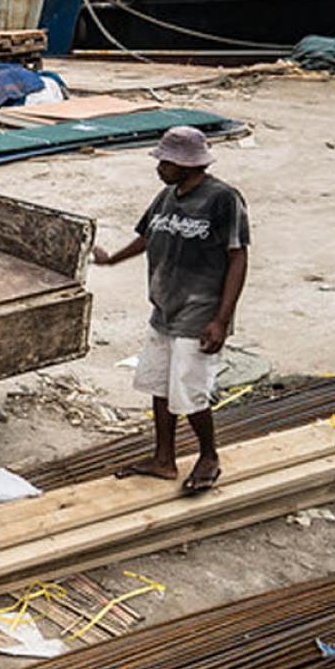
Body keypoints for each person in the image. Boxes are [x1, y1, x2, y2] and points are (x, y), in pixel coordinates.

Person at [92, 126, 249, 493]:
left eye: (166, 161)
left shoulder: (222, 199)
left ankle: (209, 456)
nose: (159, 167)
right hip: (164, 307)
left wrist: (221, 320)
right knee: (160, 383)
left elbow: (237, 257)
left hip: (200, 312)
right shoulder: (167, 196)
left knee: (189, 389)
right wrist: (112, 259)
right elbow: (148, 235)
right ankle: (164, 459)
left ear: (187, 164)